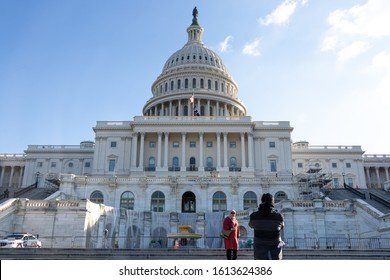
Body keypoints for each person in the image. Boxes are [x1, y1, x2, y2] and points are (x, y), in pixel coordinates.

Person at [249, 193, 284, 260]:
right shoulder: (279, 216)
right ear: (272, 202)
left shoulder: (253, 216)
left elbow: (251, 225)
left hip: (259, 251)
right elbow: (282, 227)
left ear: (262, 201)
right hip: (275, 252)